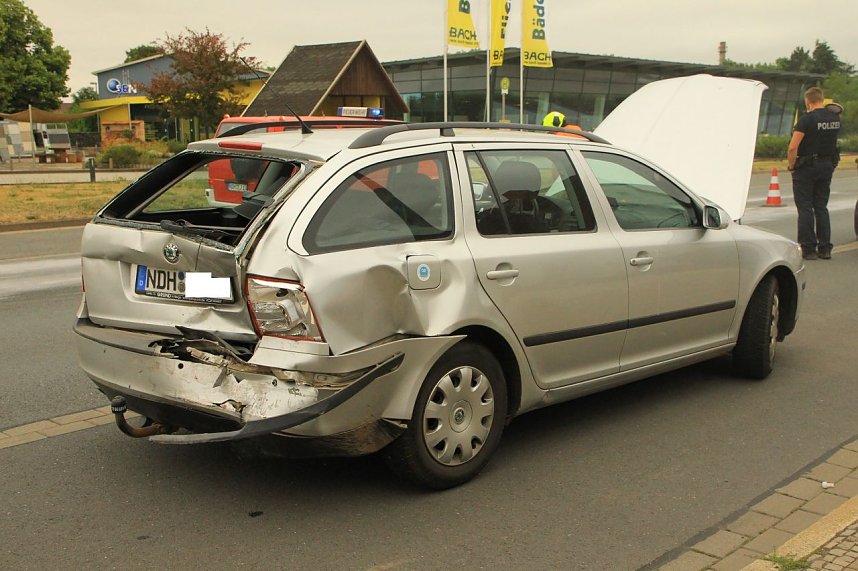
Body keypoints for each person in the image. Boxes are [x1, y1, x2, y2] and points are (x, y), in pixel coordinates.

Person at [787, 87, 842, 260]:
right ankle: (825, 248)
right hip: (827, 165)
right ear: (822, 99)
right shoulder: (834, 118)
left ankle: (809, 248)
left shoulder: (806, 120)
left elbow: (793, 147)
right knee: (821, 206)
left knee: (805, 208)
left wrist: (791, 165)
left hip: (806, 167)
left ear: (808, 101)